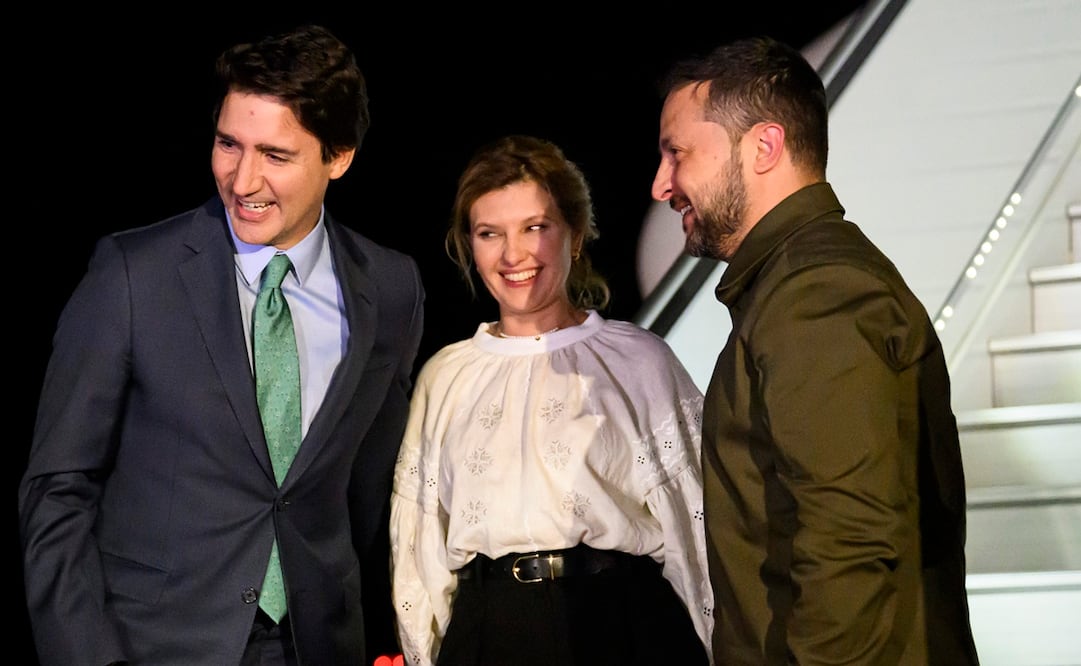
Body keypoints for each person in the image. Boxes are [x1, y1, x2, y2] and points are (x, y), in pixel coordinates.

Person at [18, 24, 425, 665]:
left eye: (276, 155)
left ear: (339, 156)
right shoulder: (132, 274)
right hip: (156, 647)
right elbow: (57, 489)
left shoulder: (392, 288)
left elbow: (375, 492)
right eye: (228, 144)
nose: (243, 179)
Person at [651, 36, 981, 665]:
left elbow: (851, 543)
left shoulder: (814, 291)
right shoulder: (797, 283)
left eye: (677, 152)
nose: (662, 183)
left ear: (764, 147)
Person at [388, 134, 713, 666]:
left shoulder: (638, 362)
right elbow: (419, 551)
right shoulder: (446, 377)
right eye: (490, 233)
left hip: (618, 624)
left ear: (576, 235)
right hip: (489, 629)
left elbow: (694, 529)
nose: (513, 254)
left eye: (535, 228)